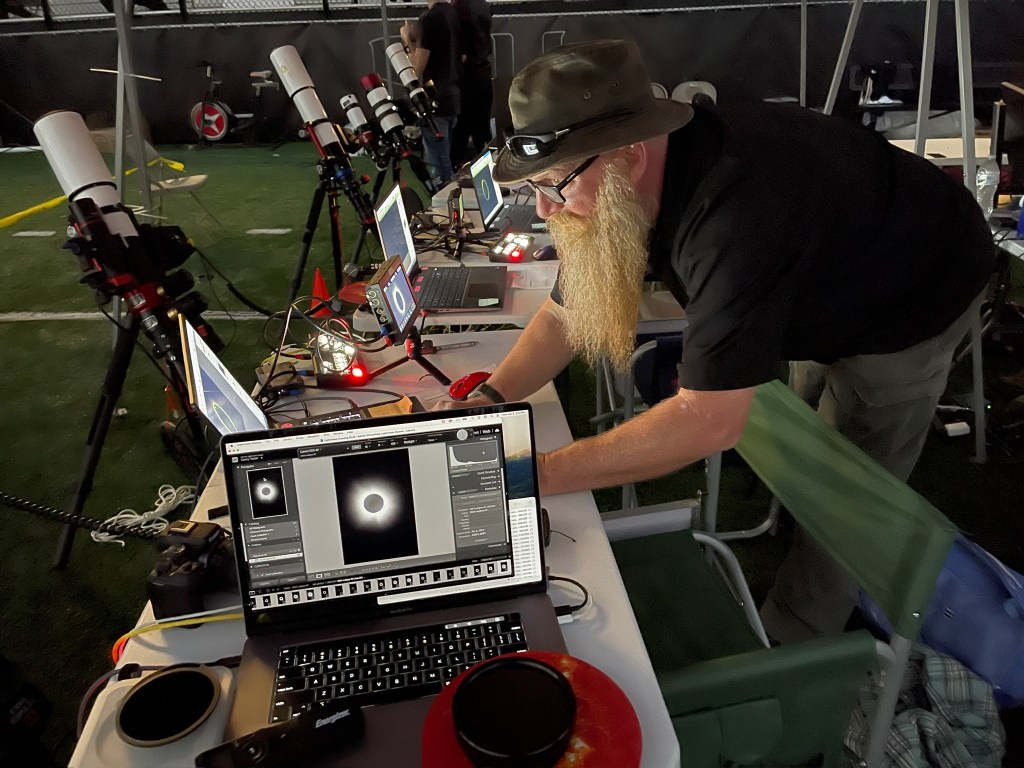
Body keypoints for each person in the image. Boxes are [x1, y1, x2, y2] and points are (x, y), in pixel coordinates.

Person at [434, 39, 997, 644]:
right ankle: (793, 515)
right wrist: (492, 397)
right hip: (824, 267)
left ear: (627, 155)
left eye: (554, 186)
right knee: (809, 414)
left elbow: (707, 424)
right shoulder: (625, 183)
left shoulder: (733, 217)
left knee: (853, 489)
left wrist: (535, 473)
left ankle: (794, 634)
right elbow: (565, 311)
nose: (547, 211)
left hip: (914, 292)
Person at [400, 0, 460, 190]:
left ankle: (444, 206)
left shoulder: (428, 19)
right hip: (452, 96)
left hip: (435, 101)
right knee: (445, 159)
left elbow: (416, 68)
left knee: (439, 168)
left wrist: (408, 41)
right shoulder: (452, 14)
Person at [450, 0, 493, 167]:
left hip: (468, 77)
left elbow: (461, 51)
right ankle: (488, 167)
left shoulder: (458, 8)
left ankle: (455, 173)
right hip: (482, 73)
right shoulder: (481, 4)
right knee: (481, 130)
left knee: (461, 130)